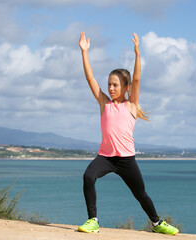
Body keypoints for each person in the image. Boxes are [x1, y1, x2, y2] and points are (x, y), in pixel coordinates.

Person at [77, 32, 179, 235]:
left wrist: (137, 54)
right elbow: (90, 79)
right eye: (109, 85)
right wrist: (85, 53)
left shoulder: (131, 105)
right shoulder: (104, 103)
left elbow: (138, 78)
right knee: (88, 177)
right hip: (105, 157)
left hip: (126, 160)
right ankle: (93, 220)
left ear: (125, 87)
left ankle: (157, 223)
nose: (111, 88)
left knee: (140, 194)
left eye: (115, 85)